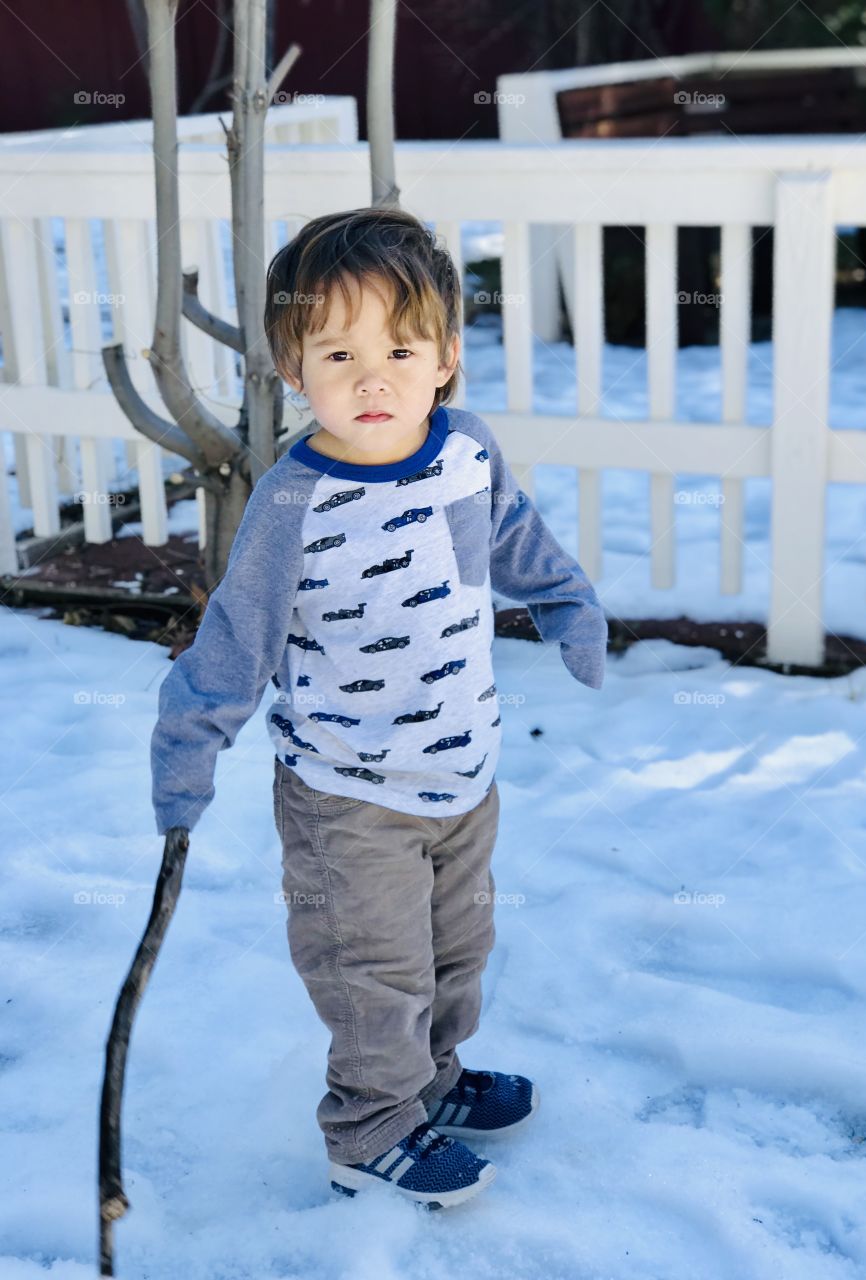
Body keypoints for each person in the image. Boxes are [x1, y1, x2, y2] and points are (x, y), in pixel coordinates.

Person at [150, 207, 608, 1208]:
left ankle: (430, 1083)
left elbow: (522, 544)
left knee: (455, 950)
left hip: (462, 774)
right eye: (339, 351)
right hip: (346, 796)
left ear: (445, 357)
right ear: (290, 365)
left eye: (400, 348)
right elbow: (232, 646)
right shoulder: (291, 504)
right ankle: (368, 1126)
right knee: (376, 969)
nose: (372, 378)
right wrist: (186, 756)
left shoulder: (467, 453)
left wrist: (569, 605)